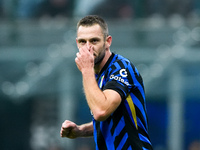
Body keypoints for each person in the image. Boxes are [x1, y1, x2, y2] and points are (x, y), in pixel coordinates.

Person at [60, 15, 153, 150]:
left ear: (107, 41)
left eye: (94, 41)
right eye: (82, 42)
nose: (88, 48)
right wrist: (81, 130)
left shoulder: (121, 68)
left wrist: (86, 70)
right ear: (76, 43)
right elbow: (114, 118)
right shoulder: (97, 74)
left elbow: (101, 111)